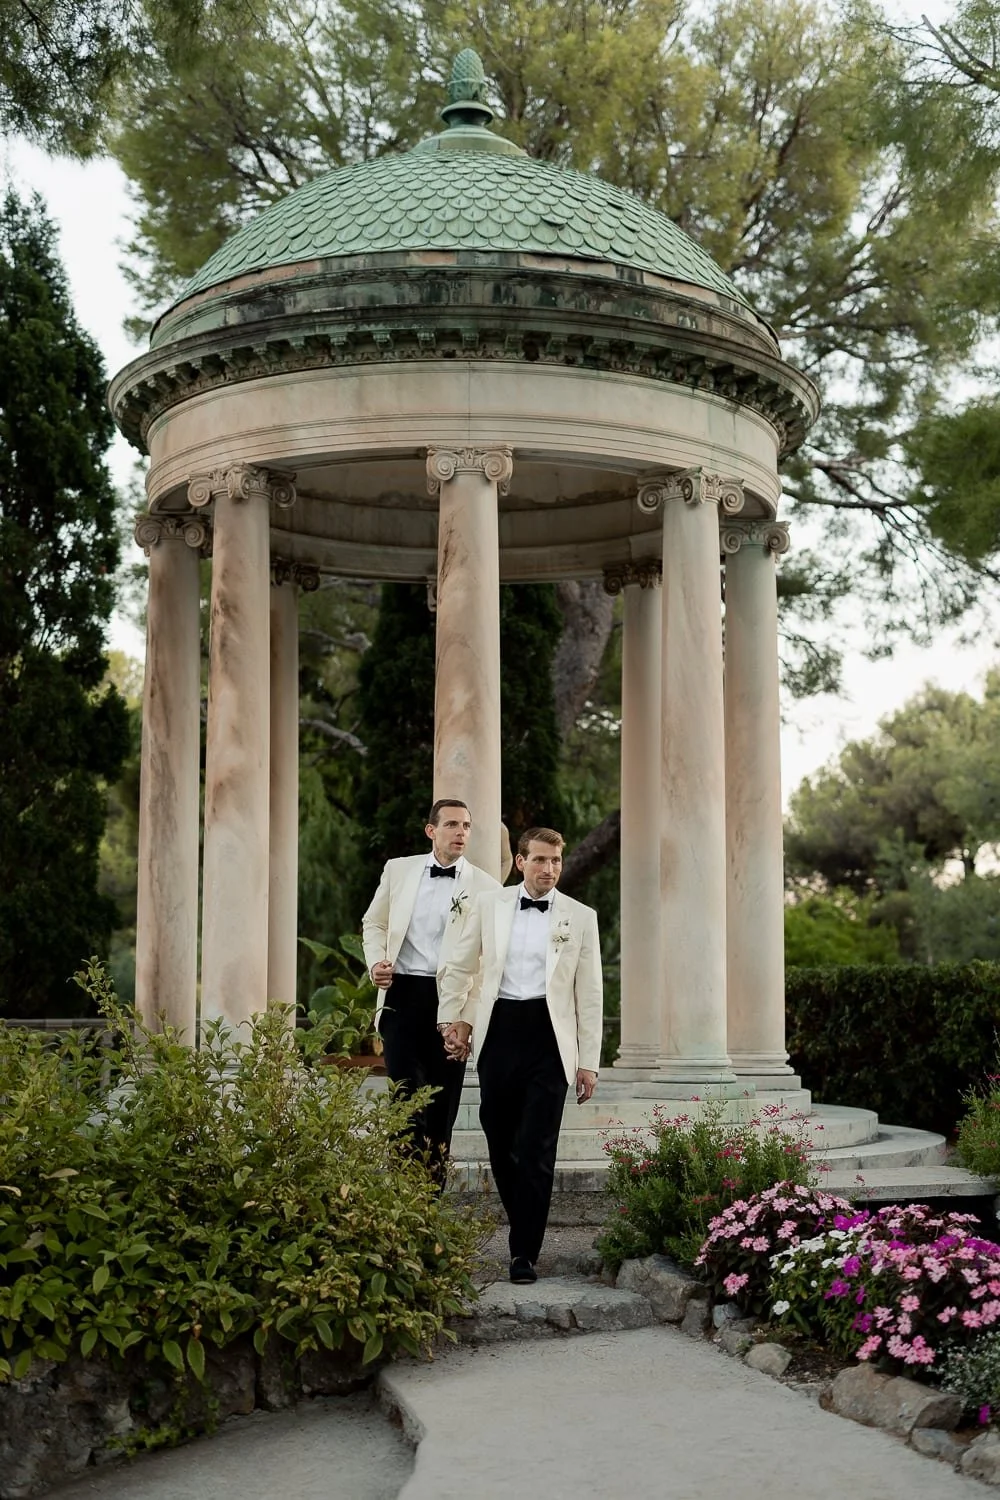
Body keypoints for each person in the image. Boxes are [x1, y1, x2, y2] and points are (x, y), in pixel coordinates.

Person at [438, 827, 602, 1283]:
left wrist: (588, 1061)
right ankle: (523, 1216)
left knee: (537, 1146)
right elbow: (461, 966)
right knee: (498, 1133)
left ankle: (523, 1251)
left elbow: (590, 995)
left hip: (551, 1039)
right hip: (501, 1031)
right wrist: (452, 1018)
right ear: (520, 862)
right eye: (541, 860)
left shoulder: (580, 916)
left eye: (556, 861)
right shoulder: (489, 905)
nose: (549, 869)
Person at [361, 799, 499, 1183]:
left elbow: (487, 965)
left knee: (442, 1107)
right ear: (431, 830)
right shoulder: (398, 870)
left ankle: (429, 1201)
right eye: (452, 824)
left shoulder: (487, 888)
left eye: (466, 826)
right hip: (401, 995)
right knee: (405, 1100)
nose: (461, 832)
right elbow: (374, 923)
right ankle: (402, 1197)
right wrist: (376, 963)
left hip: (452, 1002)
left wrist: (467, 1021)